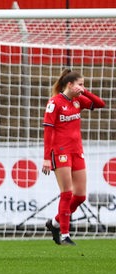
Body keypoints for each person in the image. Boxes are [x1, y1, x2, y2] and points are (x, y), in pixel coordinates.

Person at [42, 68, 105, 246]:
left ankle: (54, 223)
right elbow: (48, 131)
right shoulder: (54, 103)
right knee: (67, 193)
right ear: (70, 84)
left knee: (80, 196)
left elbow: (100, 104)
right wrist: (47, 157)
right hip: (60, 151)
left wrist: (86, 92)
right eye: (80, 84)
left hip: (77, 151)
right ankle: (64, 234)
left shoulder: (78, 100)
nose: (82, 87)